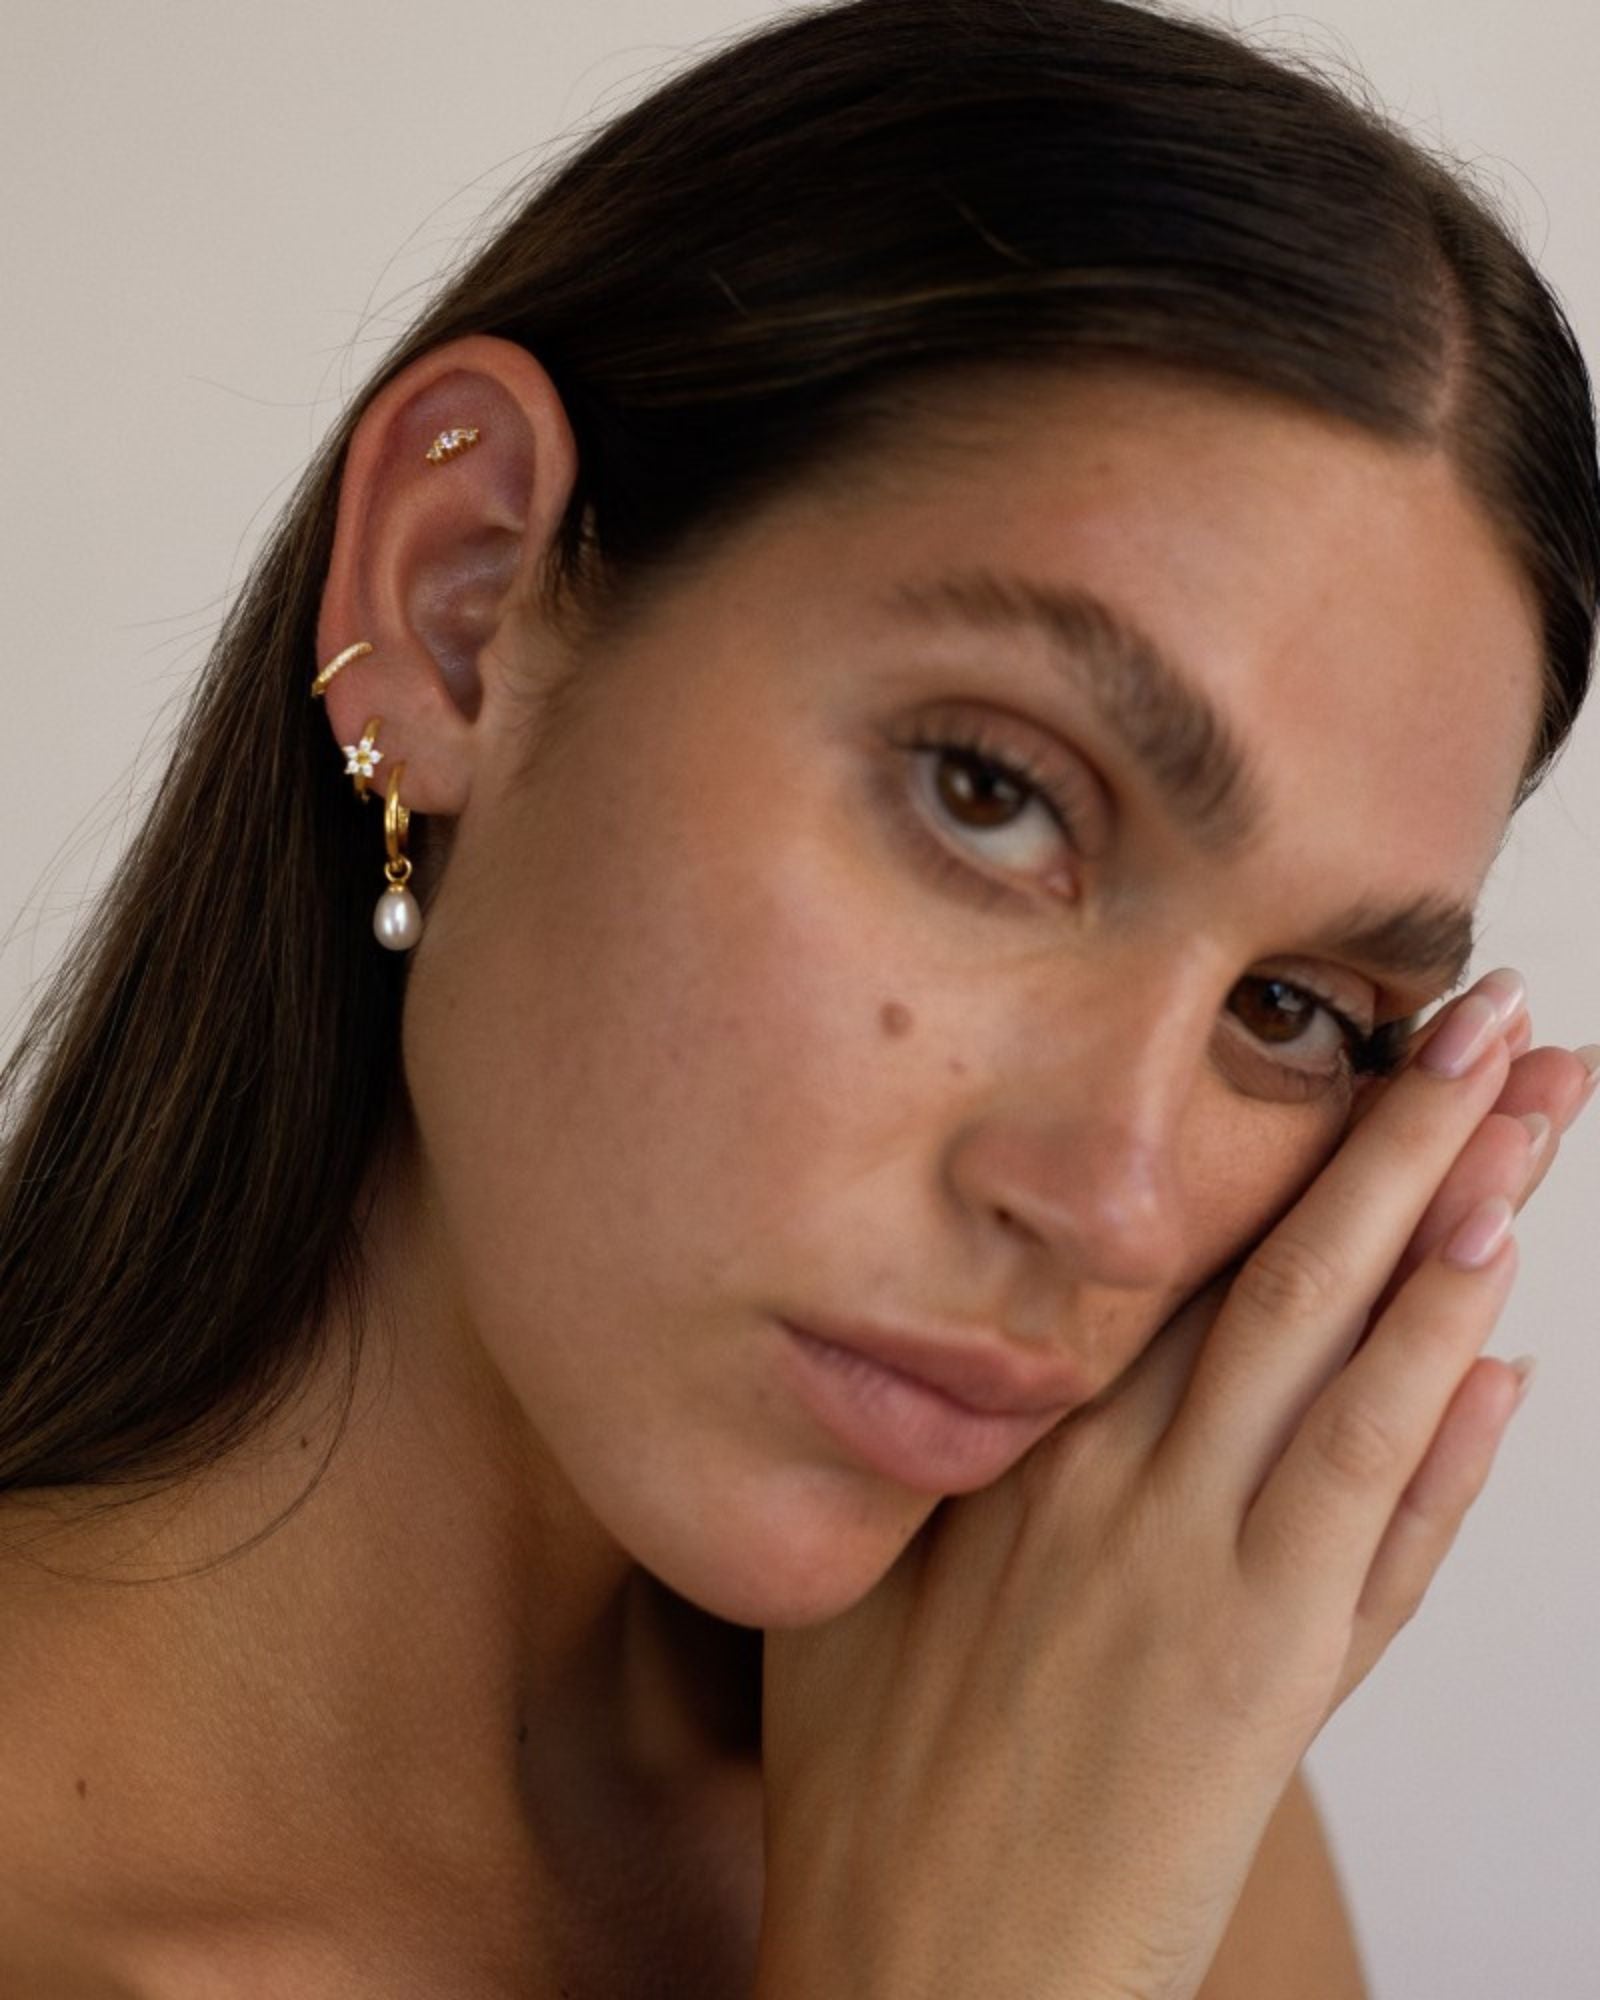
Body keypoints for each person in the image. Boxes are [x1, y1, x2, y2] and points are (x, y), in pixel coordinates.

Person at [1, 0, 1596, 1992]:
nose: (1105, 1201)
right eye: (991, 795)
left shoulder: (1104, 1804)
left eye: (1288, 1007)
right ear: (459, 600)